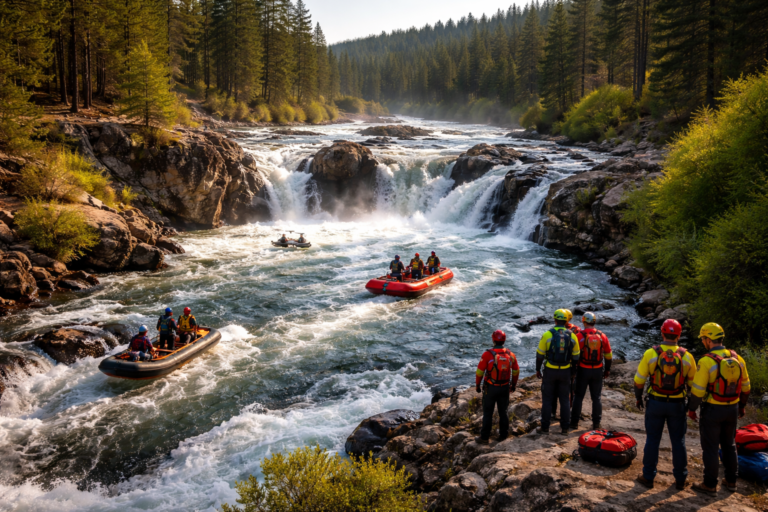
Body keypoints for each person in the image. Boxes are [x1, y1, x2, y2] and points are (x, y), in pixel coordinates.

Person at [687, 323, 751, 495]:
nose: (702, 342)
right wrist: (742, 406)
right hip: (732, 408)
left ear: (708, 340)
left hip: (713, 410)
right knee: (730, 445)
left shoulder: (706, 361)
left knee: (711, 448)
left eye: (703, 339)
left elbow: (698, 390)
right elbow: (746, 387)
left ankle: (709, 484)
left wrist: (692, 409)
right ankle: (731, 481)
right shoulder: (738, 359)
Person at [633, 319, 696, 490]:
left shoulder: (651, 353)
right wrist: (691, 406)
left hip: (656, 402)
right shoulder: (687, 356)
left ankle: (648, 477)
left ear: (662, 333)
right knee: (678, 441)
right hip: (677, 404)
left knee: (653, 439)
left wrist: (638, 398)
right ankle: (681, 479)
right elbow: (693, 386)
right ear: (679, 335)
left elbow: (639, 381)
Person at [536, 309, 581, 435]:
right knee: (565, 400)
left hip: (550, 370)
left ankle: (545, 427)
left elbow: (540, 354)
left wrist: (538, 369)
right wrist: (573, 371)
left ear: (554, 319)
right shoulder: (572, 335)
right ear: (566, 320)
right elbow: (576, 356)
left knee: (547, 399)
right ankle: (565, 428)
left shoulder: (547, 335)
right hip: (565, 371)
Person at [570, 312, 613, 430]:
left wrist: (573, 370)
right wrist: (607, 369)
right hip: (598, 369)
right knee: (596, 397)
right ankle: (596, 423)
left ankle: (574, 423)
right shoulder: (602, 336)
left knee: (578, 396)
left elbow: (574, 355)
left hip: (583, 369)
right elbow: (608, 355)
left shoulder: (579, 336)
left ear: (584, 322)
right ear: (594, 322)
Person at [475, 330, 519, 444]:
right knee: (503, 412)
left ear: (493, 340)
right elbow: (516, 371)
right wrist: (513, 385)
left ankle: (484, 437)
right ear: (504, 340)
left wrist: (477, 385)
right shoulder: (511, 354)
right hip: (504, 387)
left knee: (488, 412)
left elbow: (479, 372)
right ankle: (503, 436)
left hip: (490, 388)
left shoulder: (487, 354)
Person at [550, 309, 582, 419]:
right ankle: (569, 412)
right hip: (570, 364)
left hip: (556, 364)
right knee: (570, 390)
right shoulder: (576, 330)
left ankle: (552, 412)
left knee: (554, 390)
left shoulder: (554, 330)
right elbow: (578, 349)